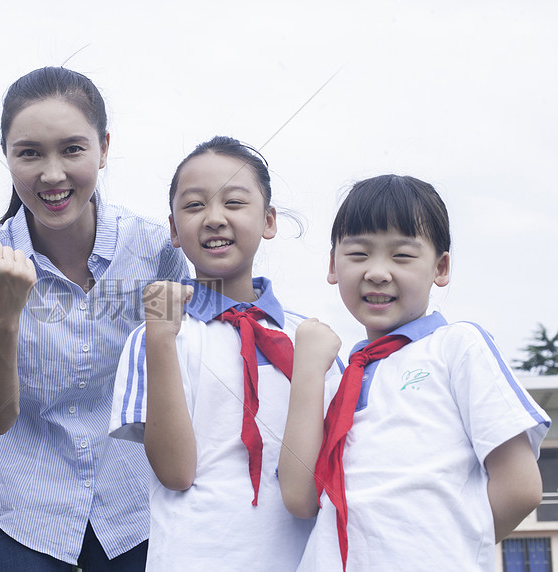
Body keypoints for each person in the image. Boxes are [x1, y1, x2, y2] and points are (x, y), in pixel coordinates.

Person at [0, 66, 188, 571]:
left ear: (103, 147)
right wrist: (2, 315)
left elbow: (176, 376)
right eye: (29, 152)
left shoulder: (157, 252)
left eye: (72, 150)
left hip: (133, 508)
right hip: (23, 509)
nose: (52, 174)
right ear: (7, 156)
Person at [278, 174, 549, 571]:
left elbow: (521, 488)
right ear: (333, 264)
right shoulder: (333, 379)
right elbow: (300, 499)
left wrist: (444, 550)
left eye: (402, 256)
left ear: (440, 267)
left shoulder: (457, 346)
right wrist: (306, 372)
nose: (377, 272)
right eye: (358, 254)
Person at [109, 136, 342, 570]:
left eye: (234, 202)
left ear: (268, 220)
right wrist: (161, 337)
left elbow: (328, 473)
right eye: (195, 206)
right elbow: (176, 473)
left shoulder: (311, 340)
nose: (214, 219)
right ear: (174, 231)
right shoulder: (155, 334)